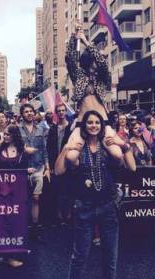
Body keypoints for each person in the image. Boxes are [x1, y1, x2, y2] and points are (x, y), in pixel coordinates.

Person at [58, 111, 130, 279]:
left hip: (108, 206)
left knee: (110, 257)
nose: (94, 125)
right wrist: (66, 148)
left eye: (97, 122)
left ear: (102, 125)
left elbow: (122, 162)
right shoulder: (78, 148)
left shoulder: (107, 147)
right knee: (80, 256)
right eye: (89, 122)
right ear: (84, 126)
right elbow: (60, 170)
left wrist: (121, 144)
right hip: (84, 206)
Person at [64, 29, 125, 163]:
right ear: (88, 62)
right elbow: (69, 59)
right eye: (93, 62)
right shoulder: (78, 76)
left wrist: (86, 41)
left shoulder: (103, 79)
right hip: (82, 124)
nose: (96, 64)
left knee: (117, 154)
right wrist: (74, 37)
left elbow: (103, 63)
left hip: (103, 122)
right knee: (71, 157)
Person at [0, 125, 29, 268]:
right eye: (4, 134)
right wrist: (1, 175)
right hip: (0, 190)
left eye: (8, 135)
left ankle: (11, 253)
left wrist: (26, 171)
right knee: (2, 221)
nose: (5, 136)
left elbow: (24, 167)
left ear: (14, 136)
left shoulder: (22, 150)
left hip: (17, 192)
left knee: (15, 221)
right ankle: (5, 254)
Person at [18, 104, 50, 241]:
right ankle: (22, 228)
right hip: (22, 169)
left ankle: (35, 229)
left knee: (36, 199)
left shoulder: (41, 129)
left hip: (38, 168)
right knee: (23, 200)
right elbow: (13, 147)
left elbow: (44, 150)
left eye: (31, 111)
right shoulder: (17, 129)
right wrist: (23, 150)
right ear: (22, 114)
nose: (29, 113)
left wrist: (48, 167)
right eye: (26, 112)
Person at [46, 103, 73, 225]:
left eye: (63, 110)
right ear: (56, 113)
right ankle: (59, 215)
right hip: (56, 163)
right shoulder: (53, 128)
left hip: (69, 163)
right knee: (57, 190)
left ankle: (68, 214)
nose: (61, 112)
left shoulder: (72, 128)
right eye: (59, 111)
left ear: (66, 112)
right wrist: (51, 166)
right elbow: (49, 148)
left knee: (68, 190)